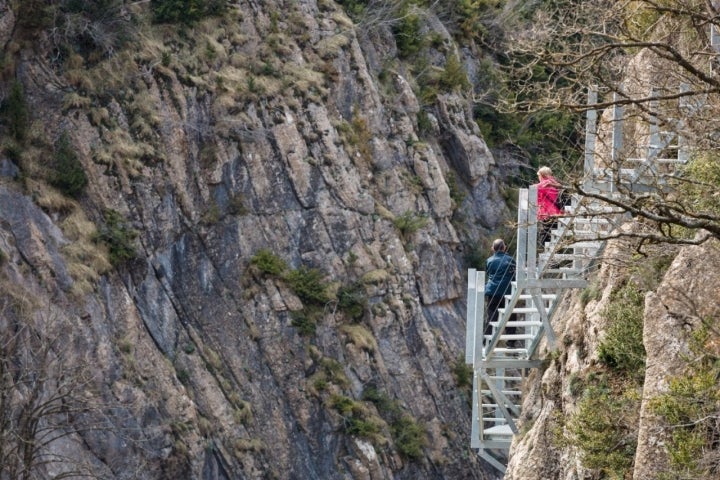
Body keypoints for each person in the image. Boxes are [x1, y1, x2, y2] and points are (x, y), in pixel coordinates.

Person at [484, 239, 516, 339]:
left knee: (491, 316)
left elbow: (488, 273)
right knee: (511, 317)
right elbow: (514, 274)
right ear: (504, 248)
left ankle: (487, 340)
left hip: (492, 291)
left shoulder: (489, 261)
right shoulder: (510, 260)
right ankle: (510, 342)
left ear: (493, 248)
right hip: (507, 292)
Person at [534, 166, 564, 248]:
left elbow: (533, 189)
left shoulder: (545, 183)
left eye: (539, 176)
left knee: (545, 240)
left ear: (542, 175)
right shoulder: (555, 183)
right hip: (557, 213)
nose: (539, 178)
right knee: (553, 239)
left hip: (547, 214)